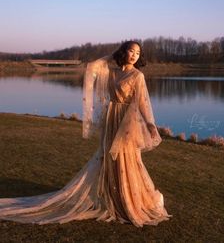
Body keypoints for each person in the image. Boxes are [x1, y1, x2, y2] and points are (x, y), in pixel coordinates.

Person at [0, 41, 172, 227]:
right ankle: (112, 198)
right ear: (124, 52)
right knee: (108, 158)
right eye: (131, 51)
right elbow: (92, 68)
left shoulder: (137, 75)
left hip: (126, 122)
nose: (134, 55)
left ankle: (128, 201)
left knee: (126, 158)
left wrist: (150, 124)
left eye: (138, 53)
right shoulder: (112, 72)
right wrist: (112, 56)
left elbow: (142, 103)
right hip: (110, 120)